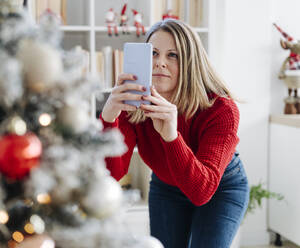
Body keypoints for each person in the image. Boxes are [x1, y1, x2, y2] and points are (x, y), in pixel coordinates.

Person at [100, 19, 249, 248]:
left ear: (191, 62)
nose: (159, 63)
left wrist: (171, 136)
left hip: (219, 188)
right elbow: (112, 175)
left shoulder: (221, 110)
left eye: (173, 55)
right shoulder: (133, 107)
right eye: (154, 53)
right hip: (167, 186)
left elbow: (201, 191)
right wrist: (109, 118)